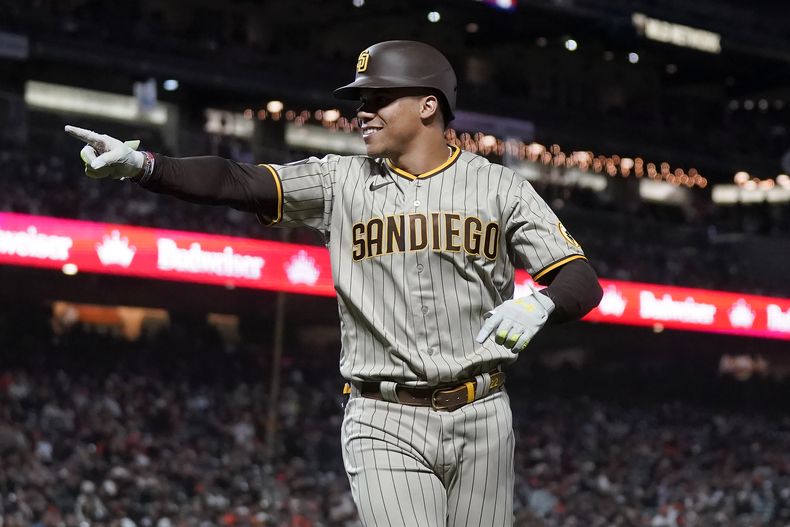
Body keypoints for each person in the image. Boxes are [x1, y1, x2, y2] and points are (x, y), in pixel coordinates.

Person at [66, 40, 602, 526]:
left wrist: (541, 305)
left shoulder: (497, 186)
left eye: (378, 99)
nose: (362, 113)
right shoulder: (339, 181)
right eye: (360, 101)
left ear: (428, 105)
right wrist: (143, 164)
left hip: (485, 414)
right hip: (384, 417)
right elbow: (238, 180)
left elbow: (580, 278)